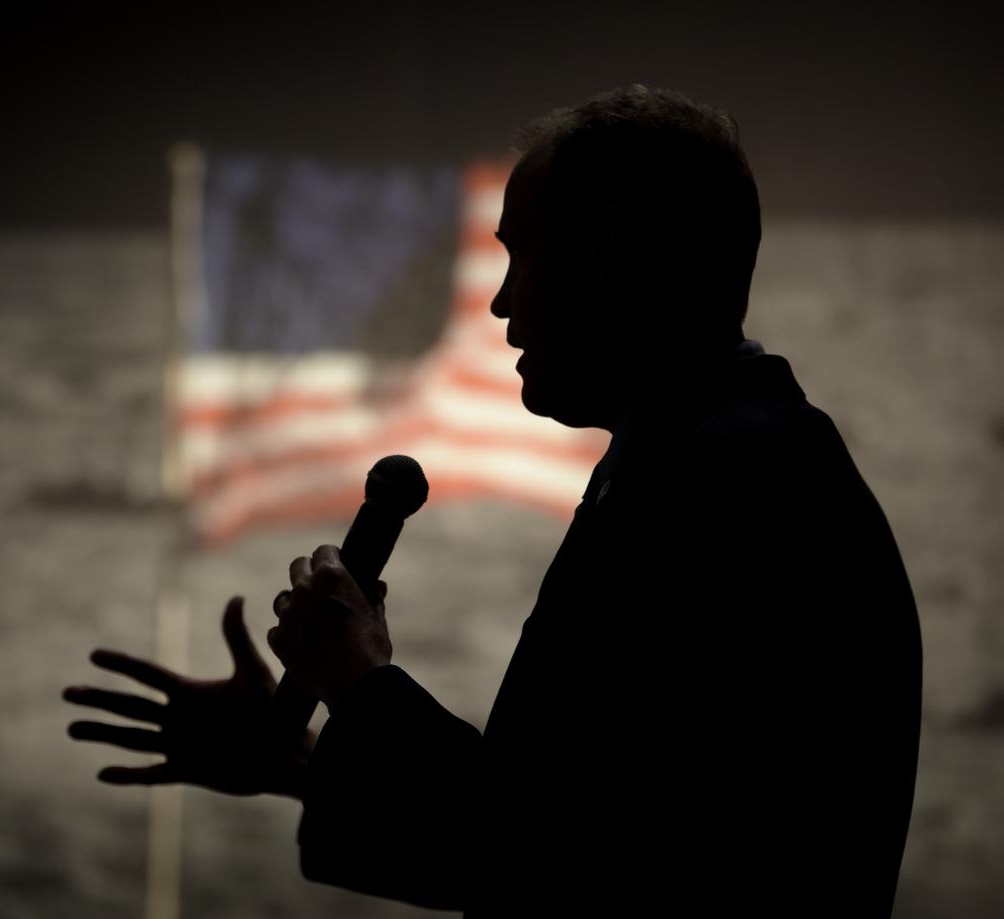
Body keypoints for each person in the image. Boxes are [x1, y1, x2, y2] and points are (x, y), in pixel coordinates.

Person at [63, 84, 923, 917]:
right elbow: (587, 835)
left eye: (521, 255)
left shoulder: (734, 488)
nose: (504, 303)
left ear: (609, 249)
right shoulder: (720, 457)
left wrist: (360, 683)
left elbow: (570, 865)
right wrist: (304, 756)